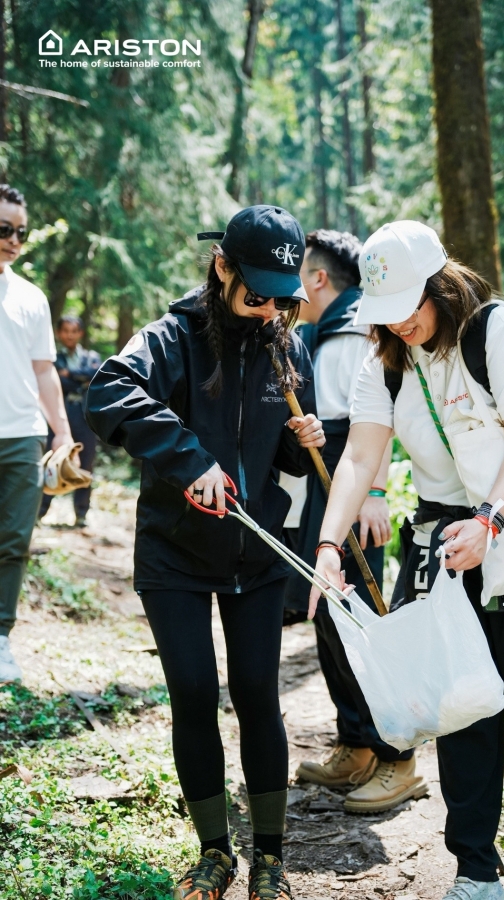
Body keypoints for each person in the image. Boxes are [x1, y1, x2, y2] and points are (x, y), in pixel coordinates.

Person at [310, 220, 504, 900]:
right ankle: (474, 868)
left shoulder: (495, 331)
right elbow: (359, 457)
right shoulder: (386, 360)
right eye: (386, 312)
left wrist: (490, 520)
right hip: (442, 544)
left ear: (440, 284)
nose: (398, 323)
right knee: (461, 707)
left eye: (408, 305)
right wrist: (326, 543)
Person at [86, 205, 325, 900]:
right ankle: (215, 851)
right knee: (194, 693)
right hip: (175, 554)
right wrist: (189, 461)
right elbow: (109, 391)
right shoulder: (169, 338)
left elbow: (277, 457)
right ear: (221, 266)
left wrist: (301, 439)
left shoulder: (287, 342)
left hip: (255, 551)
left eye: (282, 297)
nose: (267, 310)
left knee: (257, 696)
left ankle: (271, 858)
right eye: (256, 294)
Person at [282, 229, 427, 812]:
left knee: (360, 624)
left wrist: (371, 491)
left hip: (349, 488)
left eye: (298, 274)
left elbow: (369, 427)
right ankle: (356, 743)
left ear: (319, 279)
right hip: (325, 490)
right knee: (331, 619)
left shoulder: (351, 333)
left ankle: (393, 754)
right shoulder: (325, 330)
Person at [0, 183, 74, 684]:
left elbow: (45, 372)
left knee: (13, 541)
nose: (14, 240)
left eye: (21, 232)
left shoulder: (30, 298)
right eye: (4, 229)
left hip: (21, 436)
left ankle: (0, 637)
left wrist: (62, 434)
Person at [38, 315, 101, 527]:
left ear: (80, 333)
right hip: (59, 416)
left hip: (85, 418)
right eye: (65, 330)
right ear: (59, 333)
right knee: (50, 462)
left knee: (85, 464)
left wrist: (70, 375)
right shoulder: (54, 357)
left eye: (74, 331)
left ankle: (81, 514)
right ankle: (39, 512)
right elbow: (54, 380)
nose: (69, 335)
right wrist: (79, 381)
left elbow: (97, 374)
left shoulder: (90, 356)